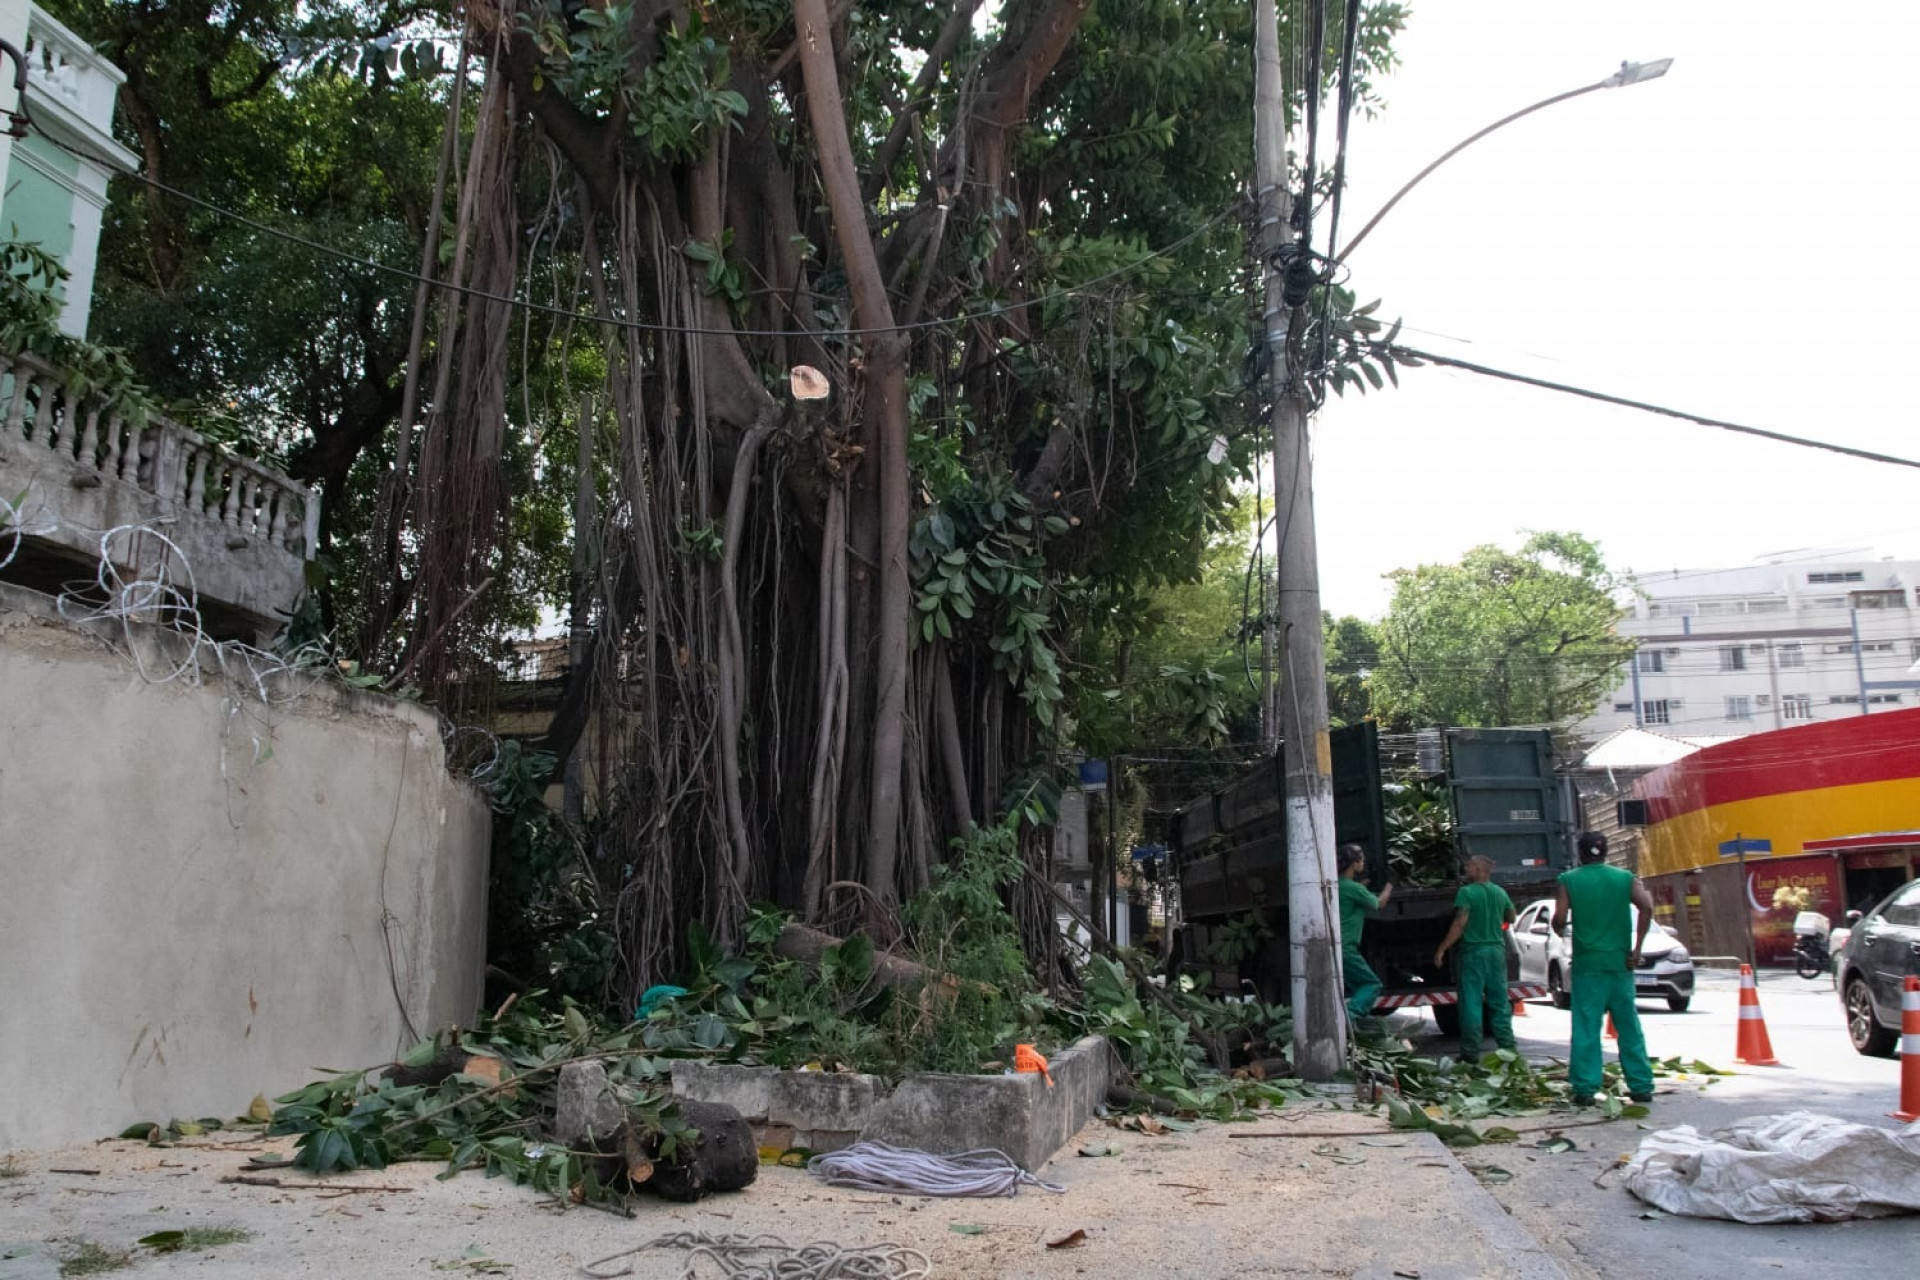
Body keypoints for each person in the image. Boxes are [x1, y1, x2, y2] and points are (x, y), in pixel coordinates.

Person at [1552, 831, 1656, 1104]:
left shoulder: (1568, 880)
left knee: (1587, 1027)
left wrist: (1560, 929)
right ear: (1607, 851)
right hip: (1620, 964)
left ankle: (1585, 1089)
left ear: (1580, 853)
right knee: (1628, 1025)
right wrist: (1637, 949)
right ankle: (1641, 1085)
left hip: (1588, 966)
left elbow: (1560, 918)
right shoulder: (1625, 878)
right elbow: (1646, 907)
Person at [1433, 853, 1517, 1059]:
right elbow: (1512, 917)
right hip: (1496, 952)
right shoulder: (1500, 892)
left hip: (1473, 953)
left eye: (1469, 866)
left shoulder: (1466, 893)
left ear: (1479, 870)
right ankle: (1508, 1049)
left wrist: (1442, 948)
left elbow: (1460, 924)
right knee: (1499, 1002)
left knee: (1471, 1002)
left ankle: (1470, 1052)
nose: (1465, 869)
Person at [1338, 843, 1392, 1021]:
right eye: (1361, 860)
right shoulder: (1356, 889)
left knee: (1356, 986)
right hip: (1347, 949)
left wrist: (1364, 884)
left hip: (1336, 947)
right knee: (1371, 983)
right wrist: (1390, 885)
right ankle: (1350, 1017)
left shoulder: (1338, 885)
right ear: (1354, 864)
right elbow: (1378, 904)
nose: (1363, 863)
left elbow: (1352, 892)